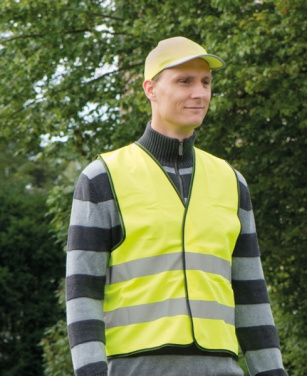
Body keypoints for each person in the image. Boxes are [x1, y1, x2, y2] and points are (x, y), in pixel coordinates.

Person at [66, 36, 288, 376]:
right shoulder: (102, 177)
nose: (199, 93)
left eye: (206, 82)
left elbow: (252, 294)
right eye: (185, 81)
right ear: (150, 89)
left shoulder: (231, 181)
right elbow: (82, 292)